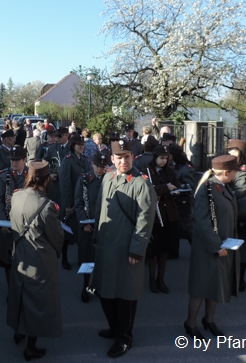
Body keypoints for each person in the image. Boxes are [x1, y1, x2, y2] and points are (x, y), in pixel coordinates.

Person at [91, 140, 157, 358]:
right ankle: (114, 327)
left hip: (127, 248)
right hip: (106, 245)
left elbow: (145, 219)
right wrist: (96, 235)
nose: (123, 161)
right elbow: (100, 208)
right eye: (119, 157)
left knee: (125, 295)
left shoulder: (141, 183)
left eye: (127, 156)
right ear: (112, 159)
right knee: (105, 291)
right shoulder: (108, 177)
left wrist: (137, 249)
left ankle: (124, 337)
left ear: (133, 157)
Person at [184, 155, 246, 339]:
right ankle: (190, 323)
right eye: (234, 172)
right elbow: (202, 222)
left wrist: (245, 202)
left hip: (222, 244)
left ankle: (209, 320)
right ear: (226, 172)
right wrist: (216, 246)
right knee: (201, 286)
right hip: (209, 247)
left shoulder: (222, 186)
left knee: (215, 285)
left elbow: (228, 208)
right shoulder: (206, 189)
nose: (236, 175)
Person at [7, 160, 64, 361]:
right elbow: (57, 237)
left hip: (20, 253)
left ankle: (18, 331)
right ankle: (31, 347)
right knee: (38, 302)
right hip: (40, 259)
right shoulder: (47, 206)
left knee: (20, 295)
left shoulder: (16, 196)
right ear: (46, 180)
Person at [74, 152, 109, 302]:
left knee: (103, 259)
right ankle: (85, 286)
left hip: (105, 226)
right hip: (88, 226)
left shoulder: (110, 180)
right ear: (92, 164)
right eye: (97, 166)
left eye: (103, 166)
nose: (100, 169)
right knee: (87, 260)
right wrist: (84, 223)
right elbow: (78, 203)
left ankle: (100, 286)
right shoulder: (84, 179)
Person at [145, 145, 180, 293]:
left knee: (165, 251)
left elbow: (176, 186)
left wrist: (169, 190)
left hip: (168, 214)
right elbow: (148, 189)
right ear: (155, 158)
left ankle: (161, 279)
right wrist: (166, 187)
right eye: (161, 158)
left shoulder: (170, 171)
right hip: (155, 215)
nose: (163, 161)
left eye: (166, 158)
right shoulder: (147, 171)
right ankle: (151, 280)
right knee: (154, 251)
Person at [0, 147, 28, 287]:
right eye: (12, 160)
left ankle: (24, 288)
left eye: (17, 160)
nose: (14, 163)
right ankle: (11, 289)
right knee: (7, 260)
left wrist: (16, 198)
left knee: (26, 260)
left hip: (25, 222)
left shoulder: (31, 175)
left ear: (24, 160)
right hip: (7, 222)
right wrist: (2, 221)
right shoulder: (3, 175)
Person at [226, 139, 246, 292]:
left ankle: (239, 282)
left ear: (240, 153)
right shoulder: (234, 169)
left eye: (233, 150)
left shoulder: (244, 172)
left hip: (241, 216)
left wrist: (223, 194)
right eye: (229, 150)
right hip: (232, 214)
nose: (230, 153)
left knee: (241, 251)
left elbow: (238, 193)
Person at [58, 134, 89, 270]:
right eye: (79, 145)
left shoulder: (84, 159)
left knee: (80, 233)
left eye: (83, 145)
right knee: (67, 234)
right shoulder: (68, 160)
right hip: (70, 203)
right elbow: (65, 185)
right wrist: (67, 205)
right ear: (72, 146)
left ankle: (81, 259)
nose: (81, 147)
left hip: (81, 202)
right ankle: (64, 258)